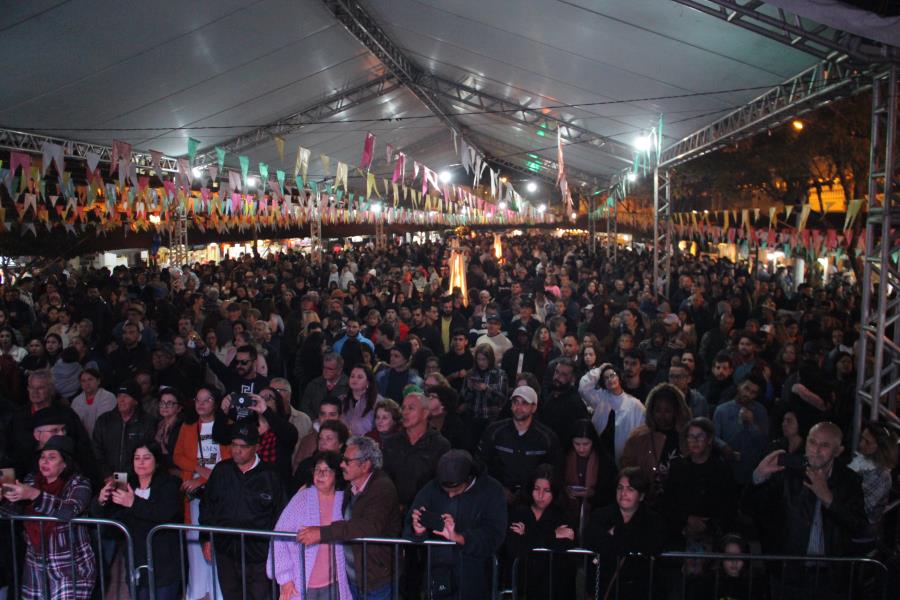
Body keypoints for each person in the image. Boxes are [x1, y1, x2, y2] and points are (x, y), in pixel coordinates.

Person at [751, 422, 867, 595]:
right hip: (787, 574)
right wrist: (758, 477)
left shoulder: (850, 480)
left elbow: (858, 527)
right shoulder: (787, 472)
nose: (816, 449)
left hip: (832, 579)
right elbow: (751, 509)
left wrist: (829, 500)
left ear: (838, 451)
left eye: (825, 445)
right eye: (812, 442)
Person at [297, 436, 402, 600]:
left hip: (375, 580)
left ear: (365, 465)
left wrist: (321, 533)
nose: (341, 465)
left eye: (346, 461)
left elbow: (366, 526)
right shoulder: (350, 486)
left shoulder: (382, 489)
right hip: (354, 578)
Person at [0, 435, 96, 600]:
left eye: (52, 458)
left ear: (65, 463)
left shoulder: (79, 483)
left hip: (70, 566)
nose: (44, 462)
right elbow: (11, 515)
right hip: (36, 565)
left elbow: (70, 510)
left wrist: (33, 495)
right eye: (42, 457)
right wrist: (3, 500)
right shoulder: (31, 480)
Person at [200, 422, 286, 600]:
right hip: (226, 550)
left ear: (256, 447)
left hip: (260, 554)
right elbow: (207, 506)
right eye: (234, 445)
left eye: (243, 446)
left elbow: (281, 515)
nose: (237, 450)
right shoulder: (222, 470)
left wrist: (278, 550)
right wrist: (206, 538)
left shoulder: (271, 475)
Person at [406, 449, 507, 600]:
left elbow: (494, 535)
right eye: (445, 490)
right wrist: (418, 531)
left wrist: (459, 537)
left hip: (475, 577)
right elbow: (408, 528)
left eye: (455, 490)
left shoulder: (492, 491)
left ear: (470, 478)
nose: (450, 495)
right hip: (437, 574)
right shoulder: (430, 489)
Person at [93, 442, 183, 600]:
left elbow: (165, 513)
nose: (141, 462)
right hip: (135, 558)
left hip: (164, 561)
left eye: (147, 458)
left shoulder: (171, 482)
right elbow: (111, 524)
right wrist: (101, 501)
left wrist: (133, 503)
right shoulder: (122, 480)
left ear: (157, 461)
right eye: (137, 458)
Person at [172, 387, 231, 600]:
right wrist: (198, 469)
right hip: (194, 492)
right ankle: (196, 593)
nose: (201, 404)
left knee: (217, 544)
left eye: (207, 400)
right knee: (195, 542)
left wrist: (205, 478)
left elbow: (231, 459)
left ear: (215, 403)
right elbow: (177, 456)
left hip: (220, 491)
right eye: (198, 399)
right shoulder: (187, 427)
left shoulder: (226, 426)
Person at [269, 451, 352, 600]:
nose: (320, 474)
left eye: (326, 470)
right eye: (317, 469)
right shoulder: (302, 498)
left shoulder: (344, 500)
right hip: (302, 584)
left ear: (337, 474)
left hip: (334, 583)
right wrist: (285, 579)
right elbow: (279, 536)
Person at [583, 467, 665, 600]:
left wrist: (615, 534)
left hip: (640, 591)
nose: (623, 493)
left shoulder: (653, 520)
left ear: (641, 495)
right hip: (606, 587)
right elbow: (590, 540)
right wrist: (629, 538)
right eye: (620, 488)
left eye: (630, 489)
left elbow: (652, 545)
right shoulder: (601, 515)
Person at [662, 417, 737, 548]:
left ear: (709, 440)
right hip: (681, 532)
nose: (695, 441)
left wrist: (707, 526)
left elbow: (729, 505)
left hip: (714, 534)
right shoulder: (677, 468)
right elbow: (668, 502)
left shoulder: (722, 469)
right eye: (691, 436)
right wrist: (687, 520)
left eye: (700, 436)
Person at [503, 464, 576, 600]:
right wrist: (553, 535)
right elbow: (514, 547)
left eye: (547, 490)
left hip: (554, 587)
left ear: (554, 492)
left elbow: (564, 546)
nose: (540, 495)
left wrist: (527, 536)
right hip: (523, 585)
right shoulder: (520, 512)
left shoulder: (563, 515)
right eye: (536, 489)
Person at [479, 386, 562, 502]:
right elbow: (482, 464)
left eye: (525, 403)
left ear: (534, 407)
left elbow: (554, 471)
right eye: (515, 402)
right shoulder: (494, 431)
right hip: (497, 496)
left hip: (533, 500)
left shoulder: (547, 438)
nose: (519, 407)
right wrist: (499, 489)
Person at [382, 388, 451, 511]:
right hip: (392, 510)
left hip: (424, 511)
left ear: (425, 413)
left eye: (411, 408)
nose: (405, 413)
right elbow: (384, 478)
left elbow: (441, 485)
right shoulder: (391, 443)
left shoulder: (440, 445)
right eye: (403, 408)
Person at [620, 383, 691, 499]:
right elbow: (627, 469)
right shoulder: (638, 437)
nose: (662, 416)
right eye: (658, 410)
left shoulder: (687, 436)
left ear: (676, 411)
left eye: (668, 411)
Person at [579, 363, 645, 463]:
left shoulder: (634, 404)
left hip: (623, 455)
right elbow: (583, 388)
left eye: (612, 375)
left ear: (619, 377)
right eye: (606, 378)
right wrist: (599, 369)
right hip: (600, 451)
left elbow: (643, 430)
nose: (610, 379)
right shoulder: (601, 396)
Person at [562, 419, 617, 533]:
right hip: (567, 512)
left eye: (586, 444)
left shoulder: (604, 461)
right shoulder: (564, 458)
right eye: (577, 444)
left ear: (593, 442)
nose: (581, 449)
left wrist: (593, 494)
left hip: (596, 512)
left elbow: (611, 491)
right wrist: (565, 491)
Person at [846, 422, 897, 544]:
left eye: (867, 442)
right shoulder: (861, 462)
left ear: (880, 447)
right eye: (861, 439)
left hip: (861, 529)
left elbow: (863, 509)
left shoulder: (881, 476)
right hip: (848, 520)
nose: (861, 444)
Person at [536, 357, 587, 448]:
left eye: (564, 374)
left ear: (572, 379)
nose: (557, 377)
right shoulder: (551, 395)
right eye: (556, 372)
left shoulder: (575, 403)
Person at [460, 344, 509, 426]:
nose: (481, 363)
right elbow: (464, 397)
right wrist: (470, 389)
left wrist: (486, 389)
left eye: (484, 359)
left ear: (490, 359)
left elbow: (502, 400)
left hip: (491, 419)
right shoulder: (471, 373)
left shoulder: (499, 374)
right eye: (478, 359)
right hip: (472, 418)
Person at [69, 368, 117, 437]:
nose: (87, 383)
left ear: (98, 381)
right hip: (83, 440)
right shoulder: (76, 401)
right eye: (83, 381)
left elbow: (105, 423)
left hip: (105, 438)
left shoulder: (108, 397)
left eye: (90, 379)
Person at [341, 365, 380, 436]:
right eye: (352, 376)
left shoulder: (378, 402)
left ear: (368, 382)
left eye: (359, 377)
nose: (354, 379)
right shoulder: (342, 400)